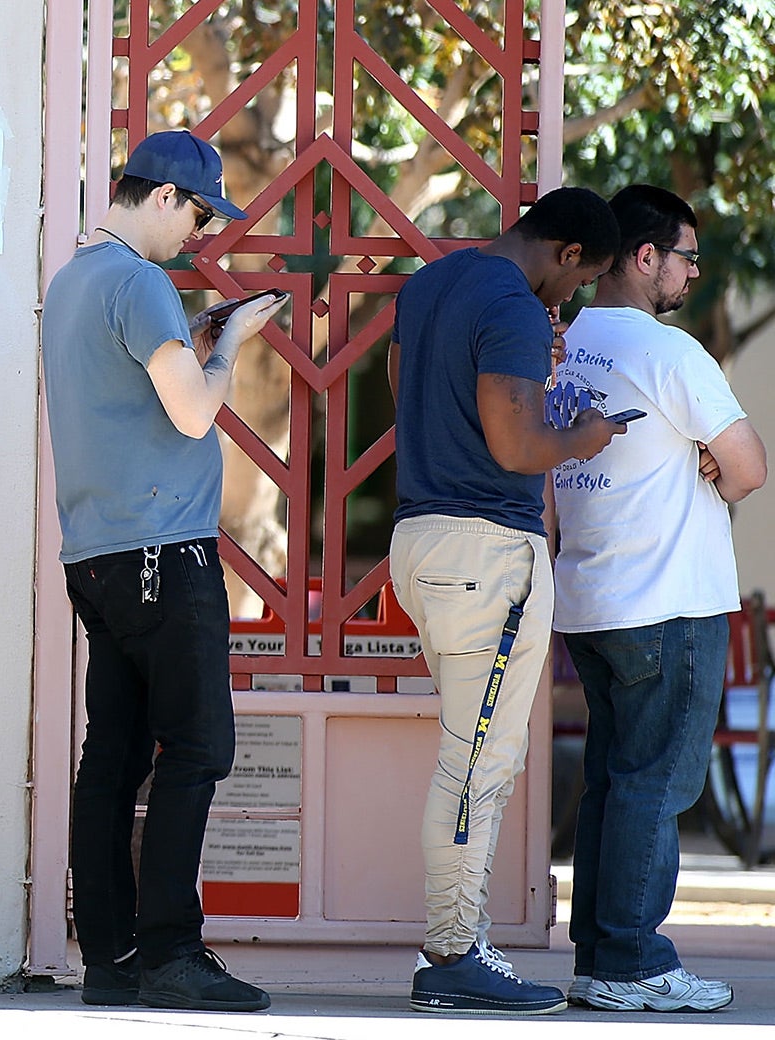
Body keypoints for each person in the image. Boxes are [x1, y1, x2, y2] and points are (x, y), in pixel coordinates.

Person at [40, 129, 287, 1013]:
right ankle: (172, 956)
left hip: (97, 554)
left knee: (110, 755)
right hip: (161, 552)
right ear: (163, 197)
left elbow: (134, 392)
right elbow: (190, 413)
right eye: (197, 214)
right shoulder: (139, 281)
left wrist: (196, 337)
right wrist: (226, 349)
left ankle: (110, 959)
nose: (198, 236)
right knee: (197, 748)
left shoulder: (71, 280)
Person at [387, 187, 624, 1016]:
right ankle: (453, 951)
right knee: (477, 762)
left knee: (469, 751)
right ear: (564, 254)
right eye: (582, 279)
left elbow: (407, 391)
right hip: (488, 552)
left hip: (419, 538)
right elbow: (518, 445)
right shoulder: (515, 308)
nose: (575, 298)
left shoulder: (430, 284)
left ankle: (459, 943)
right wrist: (587, 436)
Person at [549, 185, 765, 1013]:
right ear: (646, 258)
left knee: (613, 780)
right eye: (687, 258)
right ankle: (634, 962)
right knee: (656, 784)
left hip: (593, 599)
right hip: (669, 601)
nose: (692, 276)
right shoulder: (672, 356)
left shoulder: (568, 344)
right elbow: (748, 467)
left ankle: (600, 957)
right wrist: (710, 462)